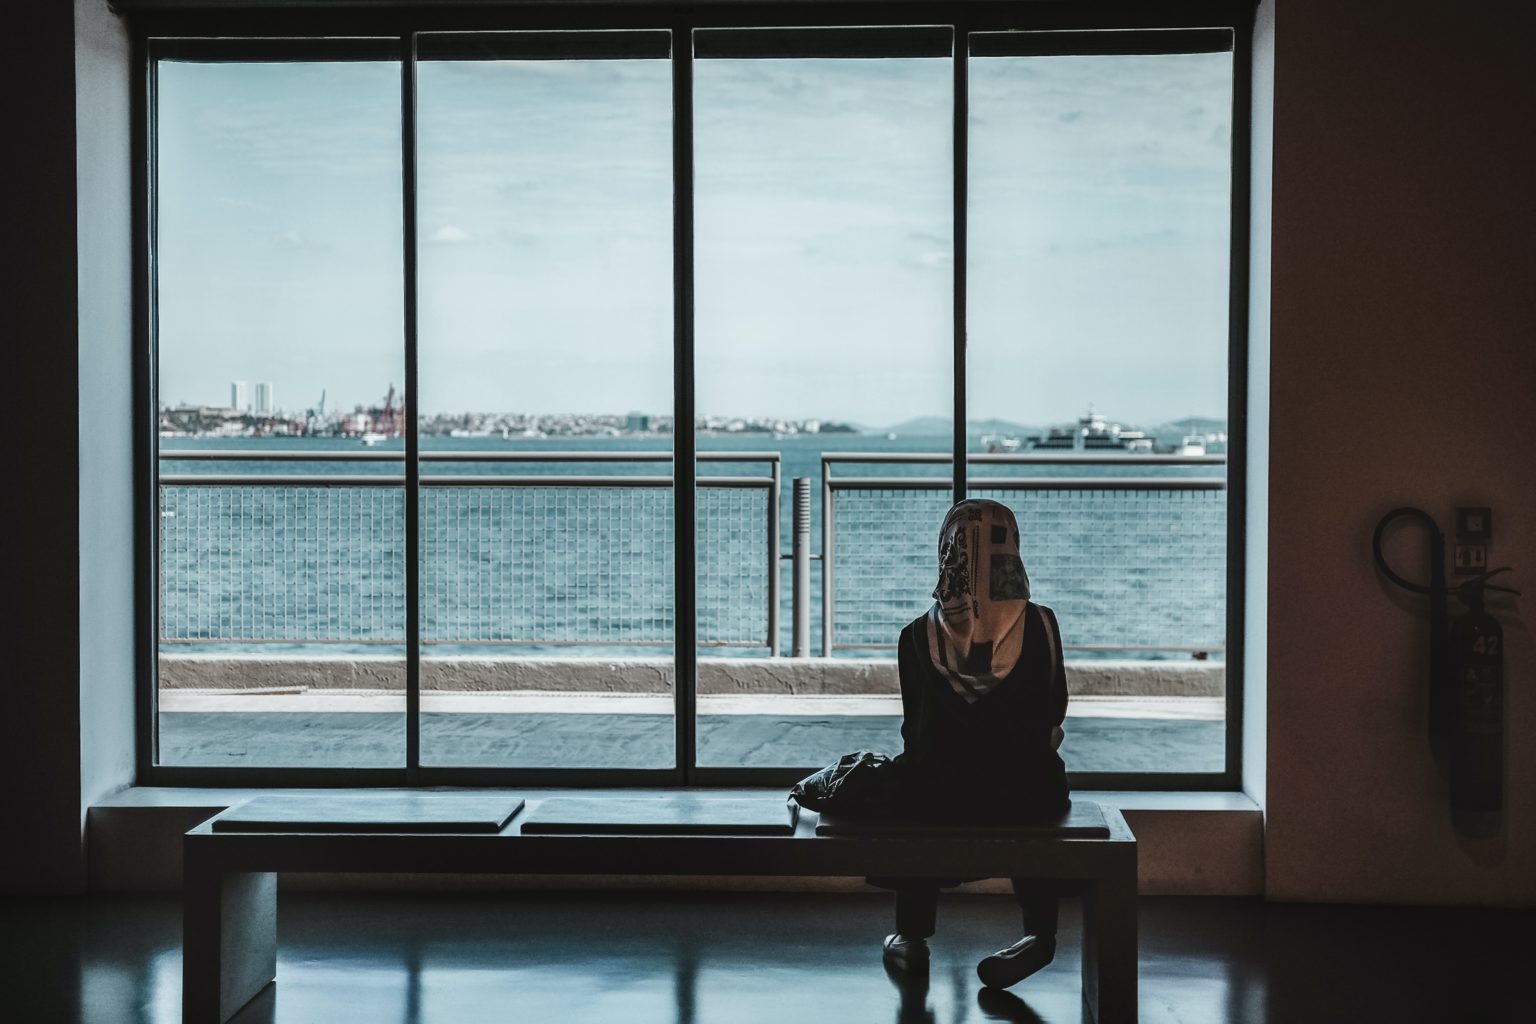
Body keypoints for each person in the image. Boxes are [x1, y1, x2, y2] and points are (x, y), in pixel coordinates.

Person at [872, 498, 1070, 991]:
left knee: (914, 782)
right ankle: (1039, 935)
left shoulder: (914, 636)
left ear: (947, 553)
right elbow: (1056, 709)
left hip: (940, 798)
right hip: (1026, 797)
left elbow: (914, 729)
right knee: (1039, 775)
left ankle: (912, 937)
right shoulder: (1043, 624)